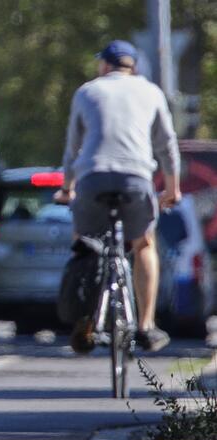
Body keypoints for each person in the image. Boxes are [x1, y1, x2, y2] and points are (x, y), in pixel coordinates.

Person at [55, 40, 181, 353]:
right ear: (133, 67)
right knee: (144, 244)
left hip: (93, 177)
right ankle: (146, 325)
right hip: (137, 178)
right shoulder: (151, 92)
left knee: (83, 240)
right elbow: (167, 145)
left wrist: (67, 187)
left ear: (105, 66)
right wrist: (173, 188)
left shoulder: (87, 91)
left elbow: (73, 149)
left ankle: (85, 321)